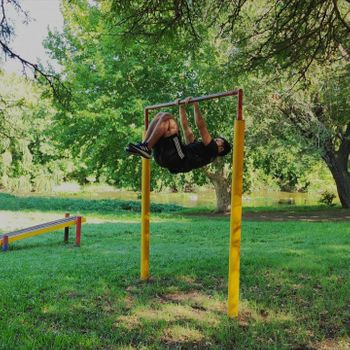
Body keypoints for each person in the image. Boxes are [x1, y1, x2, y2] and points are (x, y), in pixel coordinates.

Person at [126, 98, 232, 174]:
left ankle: (146, 147)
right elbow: (186, 128)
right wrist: (181, 107)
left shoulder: (212, 150)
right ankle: (144, 146)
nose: (215, 139)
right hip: (165, 157)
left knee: (168, 119)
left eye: (218, 140)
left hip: (178, 159)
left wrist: (196, 105)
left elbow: (201, 127)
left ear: (221, 148)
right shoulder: (199, 151)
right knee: (161, 115)